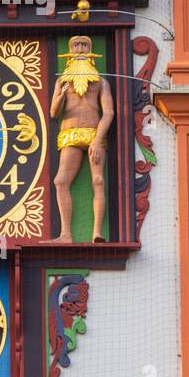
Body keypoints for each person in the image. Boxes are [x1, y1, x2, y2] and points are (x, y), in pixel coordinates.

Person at [47, 35, 112, 243]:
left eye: (85, 46)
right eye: (76, 46)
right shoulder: (62, 81)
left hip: (94, 133)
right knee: (61, 181)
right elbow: (53, 112)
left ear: (90, 52)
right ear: (70, 53)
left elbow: (108, 112)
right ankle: (66, 234)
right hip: (70, 133)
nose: (81, 49)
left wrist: (97, 140)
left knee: (98, 180)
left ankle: (97, 233)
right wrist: (61, 95)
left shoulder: (101, 82)